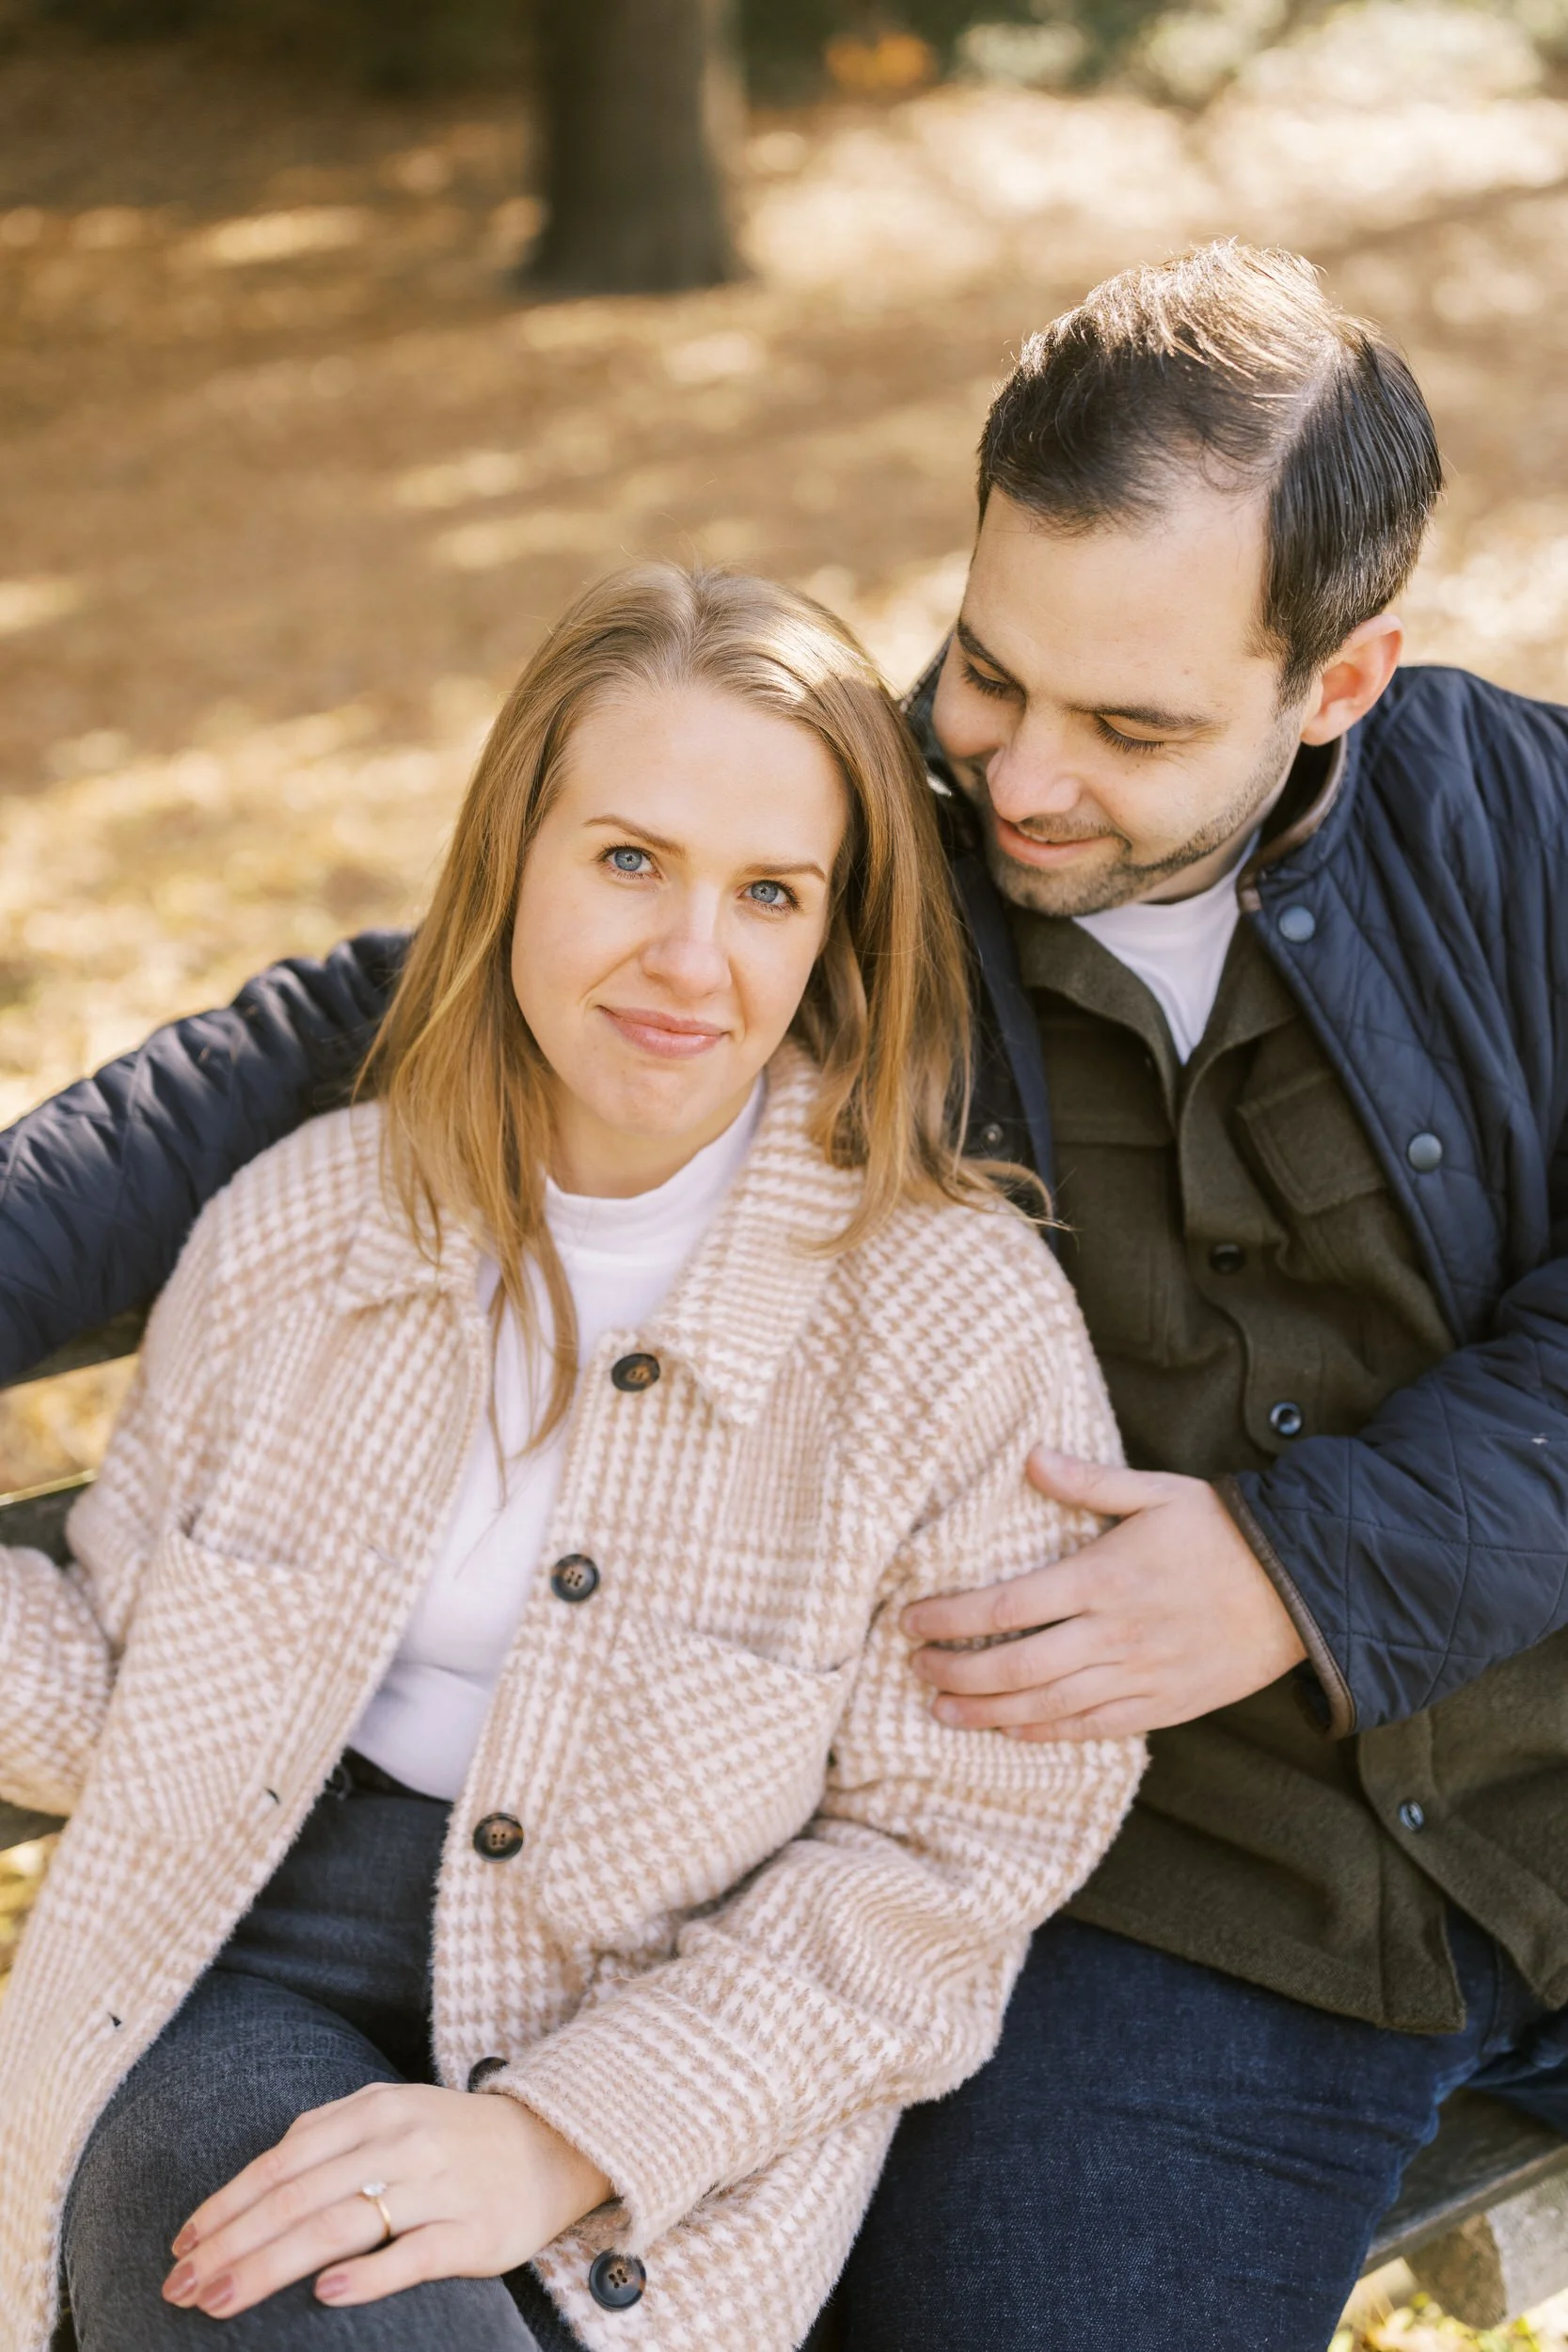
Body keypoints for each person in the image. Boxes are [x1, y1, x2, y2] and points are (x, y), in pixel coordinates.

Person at [1, 237, 1566, 2349]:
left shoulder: (1520, 829)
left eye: (1127, 726)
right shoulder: (868, 877)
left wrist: (1309, 1565)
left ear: (1338, 683)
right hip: (1200, 1896)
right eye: (986, 668)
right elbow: (393, 1017)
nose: (1015, 775)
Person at [0, 564, 1141, 2352]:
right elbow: (133, 1668)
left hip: (667, 2030)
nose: (693, 960)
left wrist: (559, 2136)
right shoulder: (306, 1228)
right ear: (510, 857)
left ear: (835, 939)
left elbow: (953, 1857)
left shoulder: (950, 1324)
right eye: (628, 860)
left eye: (770, 893)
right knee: (270, 2268)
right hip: (234, 1959)